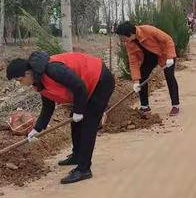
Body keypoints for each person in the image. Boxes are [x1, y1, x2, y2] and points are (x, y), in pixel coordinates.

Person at [6, 51, 115, 184]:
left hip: (100, 80)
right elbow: (48, 106)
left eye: (20, 80)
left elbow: (79, 85)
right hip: (86, 85)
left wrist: (79, 111)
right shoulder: (39, 81)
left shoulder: (52, 70)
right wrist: (37, 129)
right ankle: (77, 156)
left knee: (88, 122)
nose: (21, 83)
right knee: (75, 119)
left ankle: (84, 169)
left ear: (28, 73)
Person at [116, 22, 180, 118]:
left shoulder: (148, 30)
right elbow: (133, 62)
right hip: (149, 57)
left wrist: (170, 56)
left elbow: (168, 40)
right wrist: (136, 81)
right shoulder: (129, 43)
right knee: (142, 76)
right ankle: (145, 106)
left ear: (130, 34)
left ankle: (175, 105)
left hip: (165, 54)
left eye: (123, 37)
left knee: (169, 77)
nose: (122, 40)